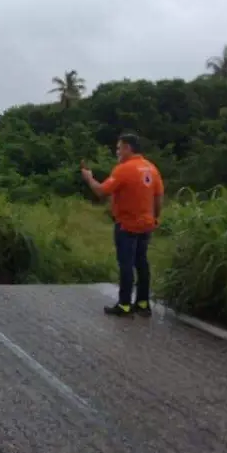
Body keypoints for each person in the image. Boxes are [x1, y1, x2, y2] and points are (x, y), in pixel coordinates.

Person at [80, 133, 164, 317]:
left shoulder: (123, 169)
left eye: (119, 148)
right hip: (146, 225)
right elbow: (158, 198)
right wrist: (155, 218)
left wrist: (89, 178)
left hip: (126, 225)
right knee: (142, 263)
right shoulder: (152, 168)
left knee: (126, 264)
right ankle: (142, 303)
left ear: (128, 148)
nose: (117, 152)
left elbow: (101, 191)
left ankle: (124, 304)